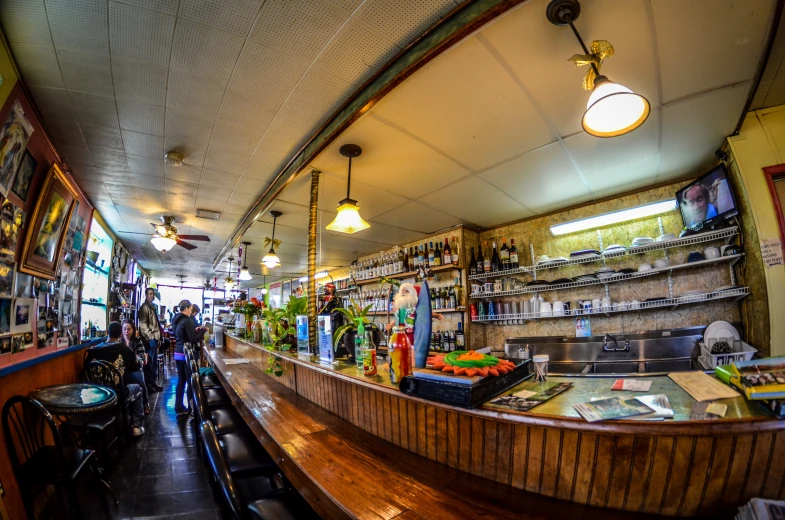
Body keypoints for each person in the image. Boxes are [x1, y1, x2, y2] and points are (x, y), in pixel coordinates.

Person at [85, 322, 146, 436]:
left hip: (95, 393)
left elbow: (86, 369)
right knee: (137, 388)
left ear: (107, 333)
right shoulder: (124, 349)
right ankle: (137, 427)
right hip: (117, 394)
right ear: (120, 335)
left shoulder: (93, 350)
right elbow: (136, 366)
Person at [173, 299, 197, 416]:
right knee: (190, 381)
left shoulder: (176, 319)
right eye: (191, 309)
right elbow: (193, 339)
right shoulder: (187, 321)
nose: (191, 312)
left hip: (177, 352)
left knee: (181, 380)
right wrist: (202, 331)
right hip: (185, 354)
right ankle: (192, 409)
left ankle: (178, 406)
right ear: (186, 309)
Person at [121, 319, 150, 415]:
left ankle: (145, 403)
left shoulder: (137, 341)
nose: (126, 332)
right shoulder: (119, 342)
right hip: (123, 369)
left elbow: (141, 356)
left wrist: (136, 358)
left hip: (135, 367)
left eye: (129, 329)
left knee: (139, 379)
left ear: (133, 330)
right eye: (124, 329)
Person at [138, 287, 164, 392]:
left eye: (153, 294)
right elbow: (143, 324)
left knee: (153, 363)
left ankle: (153, 383)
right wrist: (151, 337)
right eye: (150, 294)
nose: (152, 295)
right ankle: (148, 385)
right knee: (148, 363)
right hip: (150, 340)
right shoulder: (144, 307)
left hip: (155, 338)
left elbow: (155, 324)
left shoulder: (152, 306)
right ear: (146, 295)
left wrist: (159, 337)